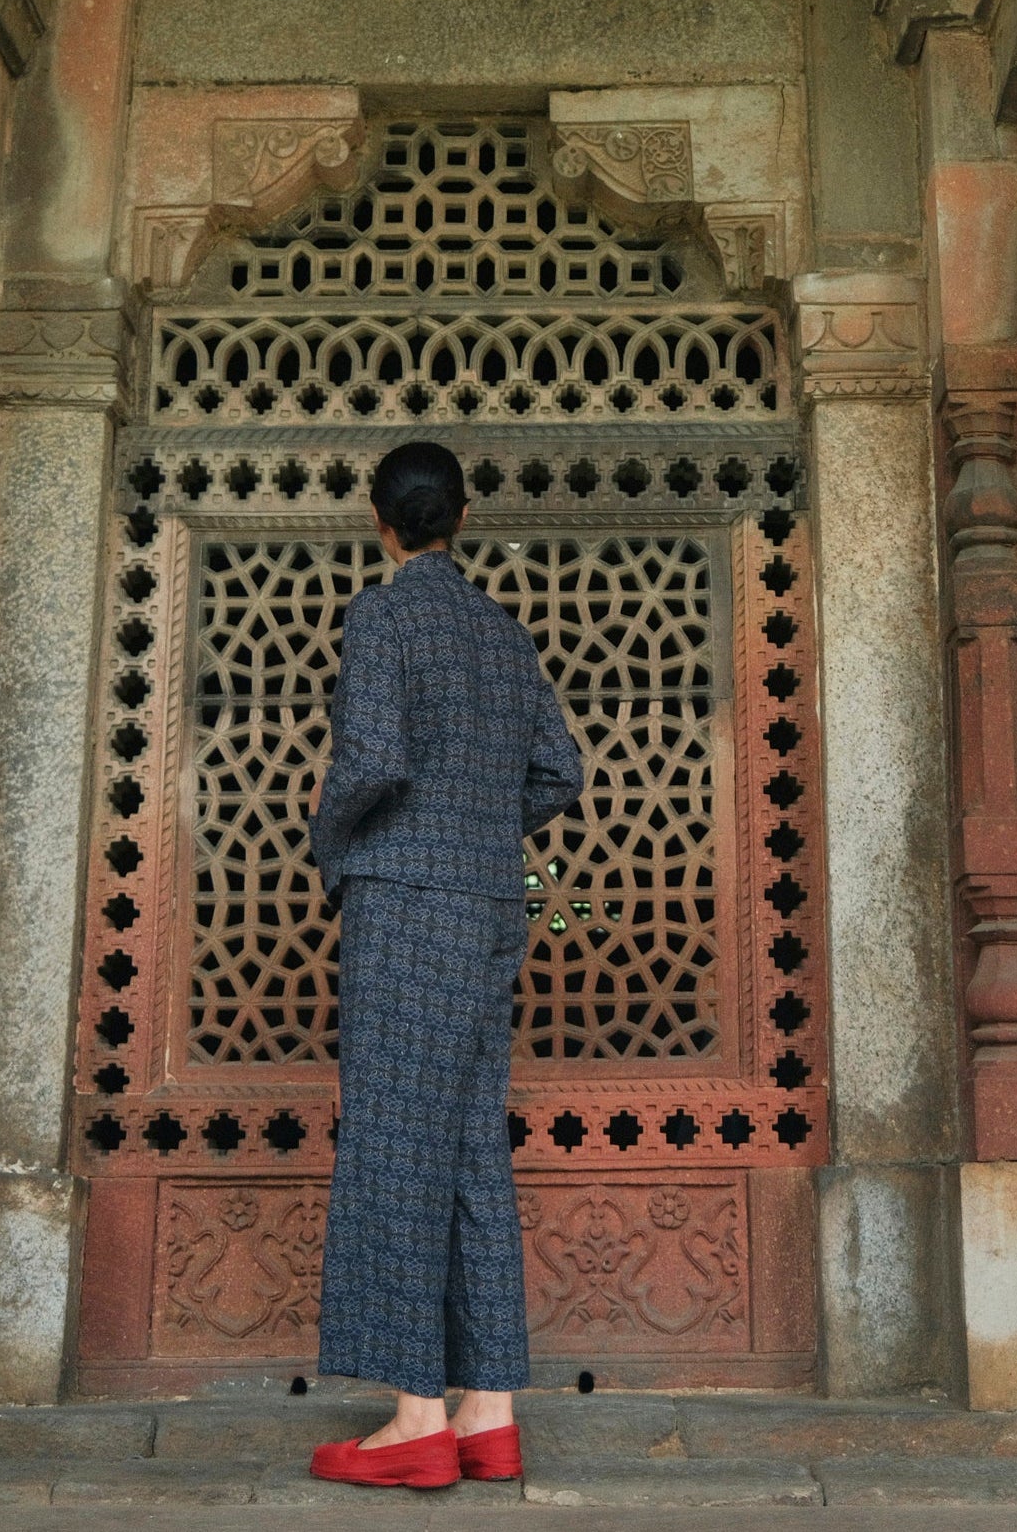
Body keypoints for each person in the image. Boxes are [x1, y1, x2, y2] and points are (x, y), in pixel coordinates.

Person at [306, 439, 585, 1490]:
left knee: (392, 1141)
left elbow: (371, 761)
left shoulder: (383, 615)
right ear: (459, 519)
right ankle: (490, 1410)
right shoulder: (505, 634)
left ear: (382, 523)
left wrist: (334, 836)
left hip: (407, 907)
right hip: (486, 907)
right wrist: (476, 828)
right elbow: (561, 769)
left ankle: (417, 1417)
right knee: (471, 1143)